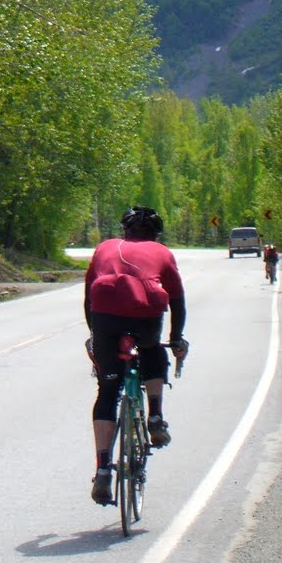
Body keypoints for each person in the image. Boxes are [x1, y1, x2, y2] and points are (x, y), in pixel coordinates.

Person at [84, 205, 187, 507]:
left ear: (124, 231)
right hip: (146, 313)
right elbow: (178, 302)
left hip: (105, 317)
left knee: (108, 389)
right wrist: (176, 338)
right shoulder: (162, 252)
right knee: (153, 351)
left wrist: (96, 335)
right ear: (155, 234)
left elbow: (88, 298)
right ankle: (155, 416)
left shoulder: (105, 247)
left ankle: (103, 468)